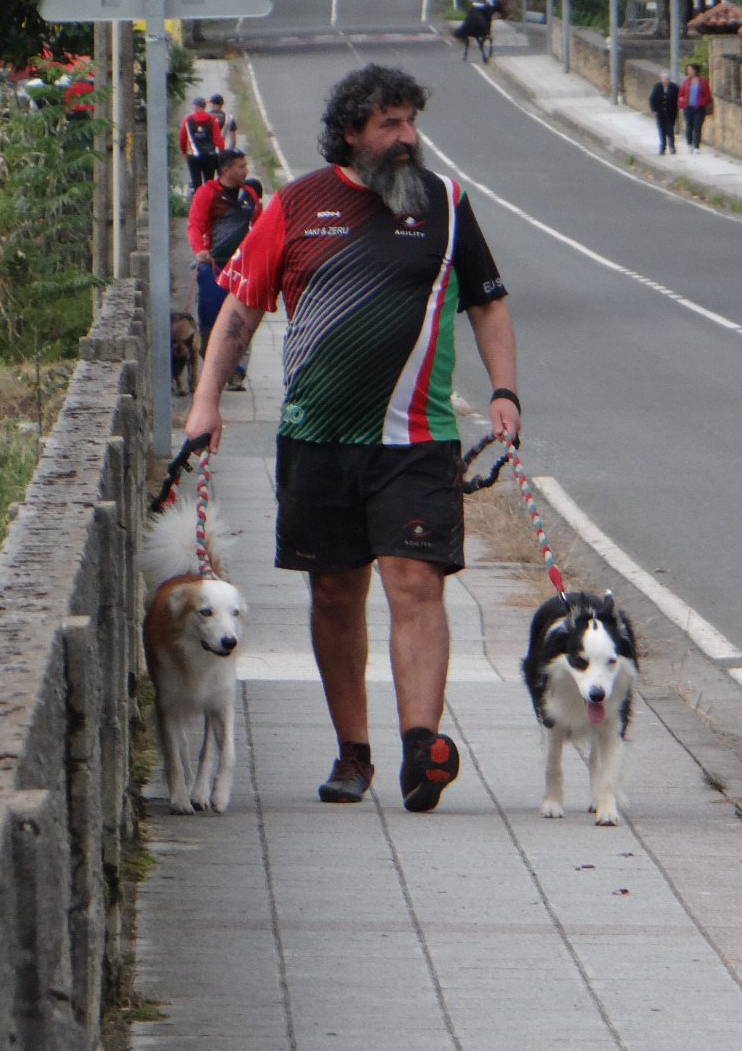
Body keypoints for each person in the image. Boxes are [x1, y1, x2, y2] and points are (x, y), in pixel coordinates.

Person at [185, 63, 519, 814]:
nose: (407, 139)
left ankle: (419, 749)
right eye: (389, 126)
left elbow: (488, 306)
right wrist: (205, 402)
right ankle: (352, 753)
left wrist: (503, 393)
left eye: (411, 123)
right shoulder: (298, 205)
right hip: (318, 437)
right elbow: (240, 310)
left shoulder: (446, 204)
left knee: (415, 581)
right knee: (334, 592)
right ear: (351, 134)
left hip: (418, 438)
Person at [185, 148, 260, 392]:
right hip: (213, 267)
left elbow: (259, 227)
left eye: (246, 165)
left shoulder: (250, 195)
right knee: (210, 317)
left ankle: (237, 373)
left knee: (242, 317)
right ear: (226, 170)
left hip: (242, 267)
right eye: (241, 166)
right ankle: (211, 366)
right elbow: (194, 225)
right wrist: (199, 250)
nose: (245, 170)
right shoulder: (207, 194)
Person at [178, 97, 223, 192]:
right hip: (210, 155)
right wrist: (221, 153)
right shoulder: (211, 119)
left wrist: (184, 152)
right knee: (209, 184)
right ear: (204, 107)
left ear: (195, 106)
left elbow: (182, 137)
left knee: (196, 184)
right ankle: (209, 204)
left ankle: (198, 204)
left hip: (194, 155)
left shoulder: (188, 119)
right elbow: (218, 139)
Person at [681, 62, 713, 153]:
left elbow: (707, 94)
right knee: (689, 126)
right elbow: (682, 92)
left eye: (690, 69)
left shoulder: (703, 82)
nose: (688, 71)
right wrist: (682, 101)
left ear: (695, 70)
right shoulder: (686, 82)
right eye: (688, 70)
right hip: (688, 107)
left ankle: (696, 147)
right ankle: (689, 144)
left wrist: (702, 103)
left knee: (697, 126)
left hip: (699, 108)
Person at [648, 71, 680, 155]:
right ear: (661, 79)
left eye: (667, 79)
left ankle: (672, 147)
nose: (666, 80)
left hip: (671, 113)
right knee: (662, 131)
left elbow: (677, 99)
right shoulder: (657, 87)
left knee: (670, 131)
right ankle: (662, 148)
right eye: (664, 79)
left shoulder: (674, 87)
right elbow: (652, 98)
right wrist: (653, 109)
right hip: (660, 113)